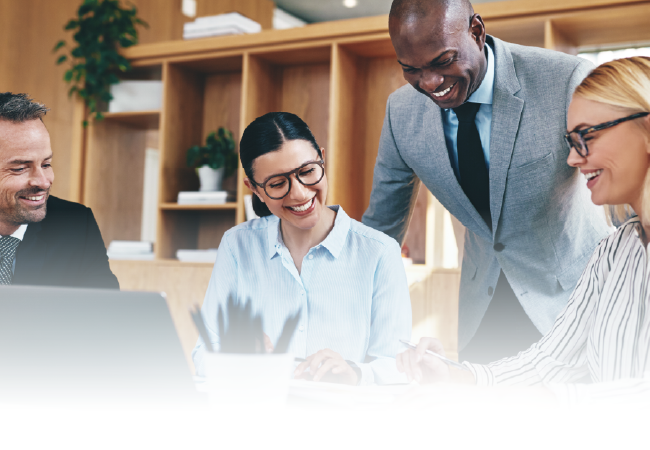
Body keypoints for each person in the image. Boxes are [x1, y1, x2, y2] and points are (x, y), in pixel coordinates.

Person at [362, 0, 610, 363]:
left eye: (443, 60)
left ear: (476, 31)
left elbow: (622, 188)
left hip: (574, 306)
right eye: (411, 69)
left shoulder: (564, 80)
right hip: (483, 313)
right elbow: (381, 230)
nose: (430, 82)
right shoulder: (401, 114)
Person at [396, 57, 650, 403]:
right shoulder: (614, 251)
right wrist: (455, 375)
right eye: (571, 141)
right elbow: (550, 360)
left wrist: (537, 406)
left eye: (586, 136)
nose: (573, 159)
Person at [192, 112, 412, 385]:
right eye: (277, 183)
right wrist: (234, 359)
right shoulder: (237, 246)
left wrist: (354, 373)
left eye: (307, 171)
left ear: (322, 158)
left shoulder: (380, 252)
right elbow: (203, 355)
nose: (299, 193)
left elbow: (397, 369)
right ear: (255, 189)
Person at [0, 92, 118, 289]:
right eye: (20, 168)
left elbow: (107, 313)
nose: (44, 182)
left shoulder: (75, 225)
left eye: (46, 164)